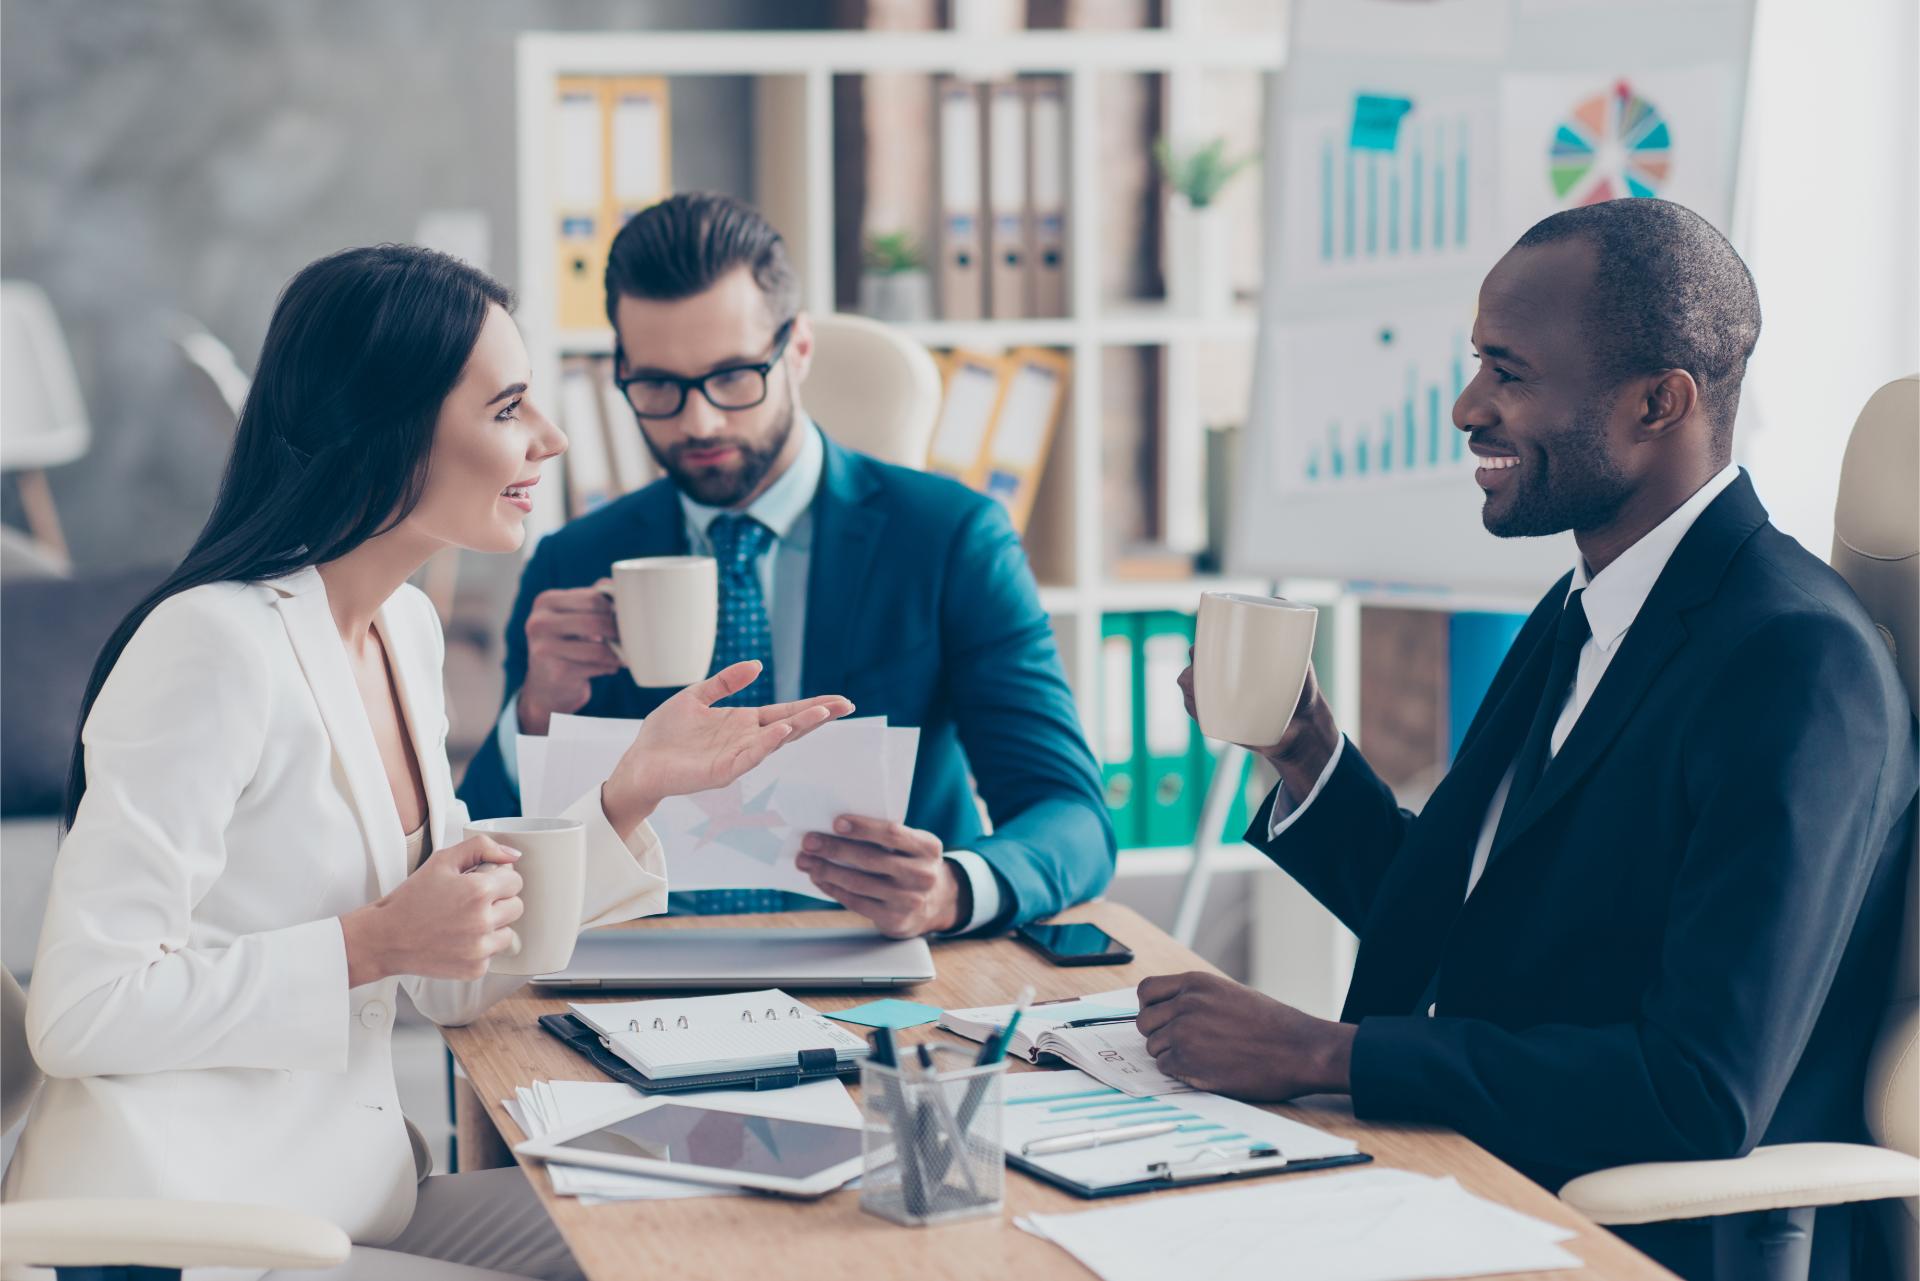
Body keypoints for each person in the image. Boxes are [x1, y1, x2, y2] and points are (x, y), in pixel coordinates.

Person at [3, 245, 851, 1281]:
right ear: (387, 430)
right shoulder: (212, 647)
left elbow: (450, 980)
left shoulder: (401, 631)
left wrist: (632, 791)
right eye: (508, 409)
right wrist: (367, 944)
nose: (550, 438)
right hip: (203, 1237)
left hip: (350, 1198)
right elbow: (85, 1011)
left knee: (708, 1233)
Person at [1150, 199, 1916, 1279]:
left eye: (1509, 374)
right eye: (1478, 365)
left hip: (1632, 1235)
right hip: (1465, 1176)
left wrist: (1328, 1055)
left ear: (1661, 401)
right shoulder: (1589, 605)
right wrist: (1310, 759)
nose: (1467, 407)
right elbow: (1475, 928)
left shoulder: (1796, 665)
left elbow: (1698, 1094)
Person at [458, 192, 1114, 937]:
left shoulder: (950, 538)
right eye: (658, 387)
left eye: (734, 376)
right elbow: (481, 850)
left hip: (872, 955)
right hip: (645, 961)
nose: (698, 421)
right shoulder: (573, 560)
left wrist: (954, 890)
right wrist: (538, 711)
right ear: (621, 372)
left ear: (796, 349)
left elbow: (1074, 817)